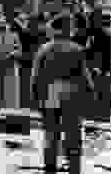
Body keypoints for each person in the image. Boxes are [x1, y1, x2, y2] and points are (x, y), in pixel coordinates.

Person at [31, 12, 95, 174]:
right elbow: (84, 76)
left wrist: (36, 97)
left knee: (51, 135)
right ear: (68, 29)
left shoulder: (43, 49)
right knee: (73, 135)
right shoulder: (77, 49)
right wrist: (91, 93)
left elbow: (36, 77)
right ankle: (74, 168)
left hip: (49, 94)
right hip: (72, 94)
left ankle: (50, 168)